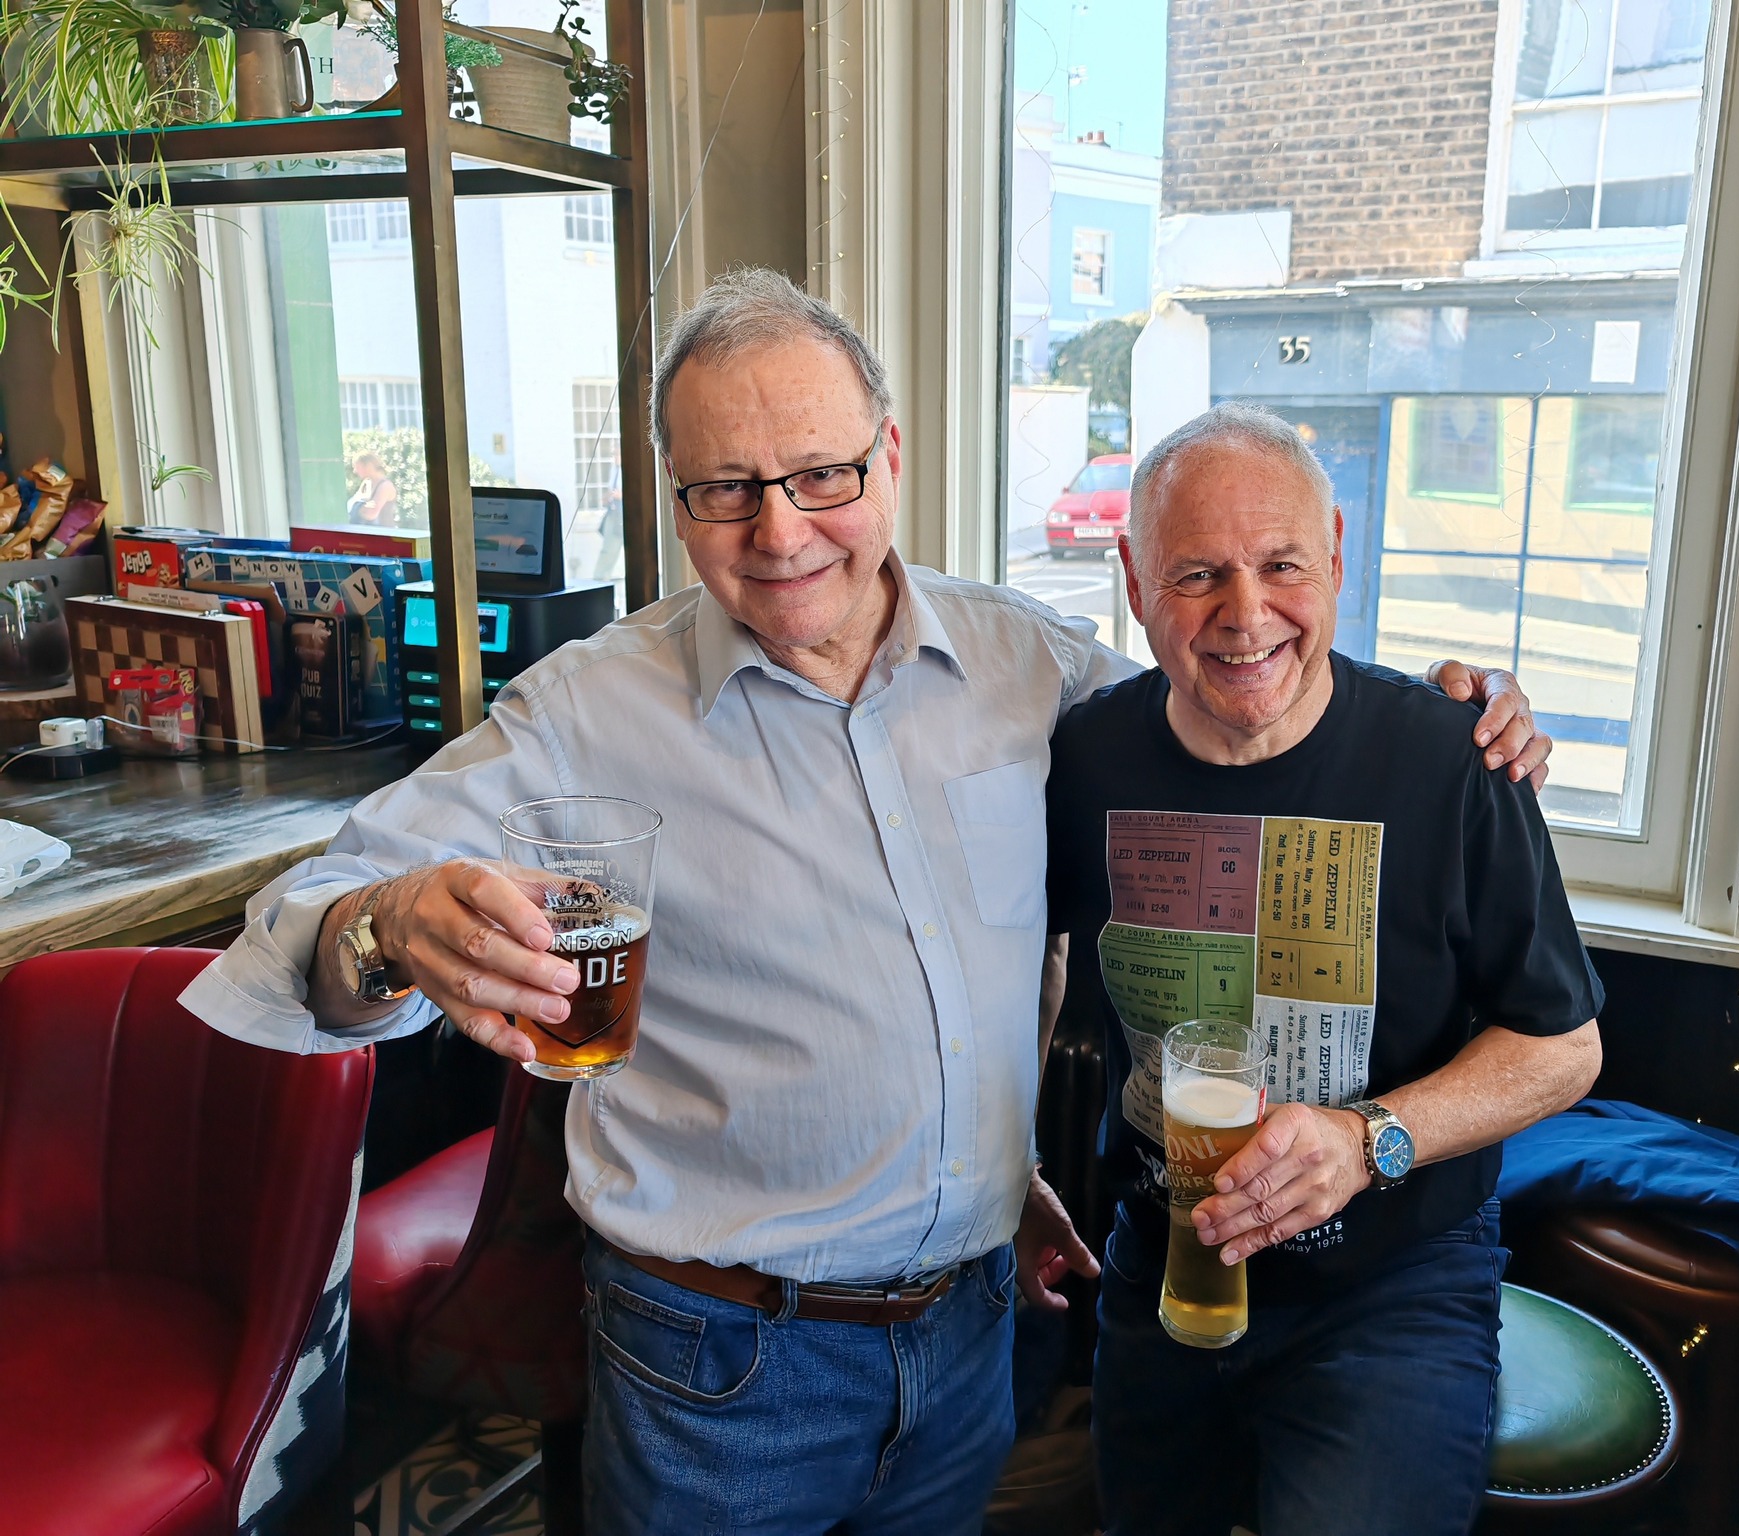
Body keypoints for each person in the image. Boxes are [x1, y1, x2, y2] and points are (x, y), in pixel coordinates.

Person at [181, 270, 1551, 1536]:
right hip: (715, 1363)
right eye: (726, 489)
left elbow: (1241, 681)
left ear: (889, 458)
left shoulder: (1027, 667)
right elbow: (301, 927)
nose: (779, 531)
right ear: (674, 501)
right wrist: (388, 926)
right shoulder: (588, 711)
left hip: (965, 1339)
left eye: (821, 474)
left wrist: (1460, 712)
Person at [1043, 402, 1605, 1536]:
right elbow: (1020, 960)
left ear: (1337, 556)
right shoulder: (1082, 759)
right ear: (1134, 580)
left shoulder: (1456, 759)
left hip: (1391, 1285)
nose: (1245, 614)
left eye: (1281, 564)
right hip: (1163, 1261)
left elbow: (1562, 1048)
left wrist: (1365, 1140)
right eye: (1196, 573)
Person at [347, 451, 399, 526]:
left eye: (357, 467)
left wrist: (357, 507)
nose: (355, 471)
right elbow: (350, 504)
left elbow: (370, 513)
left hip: (383, 532)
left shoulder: (385, 486)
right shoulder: (366, 483)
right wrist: (361, 506)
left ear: (368, 466)